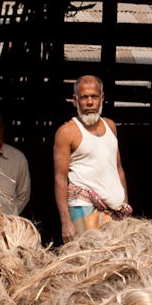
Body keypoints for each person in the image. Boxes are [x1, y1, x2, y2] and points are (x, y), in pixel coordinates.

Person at [54, 75, 131, 242]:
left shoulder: (110, 126)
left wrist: (124, 206)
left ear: (102, 98)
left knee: (115, 262)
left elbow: (118, 169)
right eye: (84, 97)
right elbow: (60, 178)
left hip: (114, 212)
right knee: (87, 262)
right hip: (83, 210)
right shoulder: (66, 132)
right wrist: (66, 222)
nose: (90, 102)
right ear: (75, 100)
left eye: (94, 96)